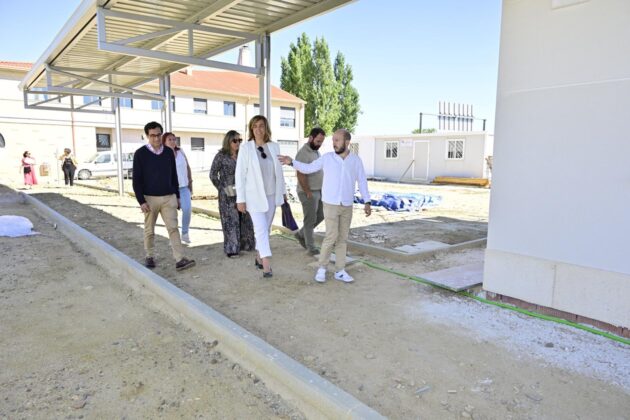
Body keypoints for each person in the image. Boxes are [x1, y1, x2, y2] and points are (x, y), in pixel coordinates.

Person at [278, 129, 371, 284]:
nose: (333, 143)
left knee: (342, 239)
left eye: (337, 140)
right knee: (331, 236)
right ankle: (322, 268)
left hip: (347, 205)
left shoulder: (355, 161)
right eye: (333, 140)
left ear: (347, 142)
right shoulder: (327, 158)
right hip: (331, 204)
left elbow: (362, 181)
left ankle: (340, 271)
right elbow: (308, 168)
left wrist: (367, 201)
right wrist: (292, 162)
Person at [132, 121, 195, 272]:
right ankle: (149, 256)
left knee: (173, 228)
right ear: (147, 136)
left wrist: (177, 196)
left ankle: (180, 259)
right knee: (149, 229)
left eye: (159, 135)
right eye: (152, 135)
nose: (156, 138)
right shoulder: (140, 154)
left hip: (169, 197)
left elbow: (174, 176)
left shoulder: (168, 152)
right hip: (149, 198)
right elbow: (136, 180)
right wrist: (141, 201)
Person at [235, 115, 287, 278]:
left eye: (261, 126)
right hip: (254, 197)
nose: (258, 129)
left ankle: (258, 256)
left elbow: (279, 172)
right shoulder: (246, 148)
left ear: (266, 128)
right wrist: (240, 199)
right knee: (260, 230)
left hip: (271, 194)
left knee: (266, 228)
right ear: (251, 129)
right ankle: (266, 265)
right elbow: (240, 175)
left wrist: (283, 192)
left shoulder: (274, 147)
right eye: (255, 126)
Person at [210, 130, 256, 257]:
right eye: (235, 140)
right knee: (231, 221)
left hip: (243, 192)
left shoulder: (243, 154)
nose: (238, 143)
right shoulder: (221, 156)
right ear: (228, 141)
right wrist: (222, 189)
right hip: (227, 195)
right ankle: (232, 248)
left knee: (246, 219)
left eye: (240, 140)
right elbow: (213, 174)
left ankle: (246, 244)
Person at [293, 127, 326, 256]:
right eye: (318, 141)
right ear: (311, 138)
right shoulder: (303, 152)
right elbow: (300, 174)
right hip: (308, 191)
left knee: (321, 215)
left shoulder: (316, 151)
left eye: (321, 141)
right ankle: (311, 248)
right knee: (310, 219)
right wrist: (307, 191)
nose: (320, 144)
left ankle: (301, 234)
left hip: (319, 190)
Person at [162, 132, 193, 243]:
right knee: (172, 214)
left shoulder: (181, 151)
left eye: (174, 139)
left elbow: (187, 167)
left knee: (187, 209)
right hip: (170, 189)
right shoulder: (162, 155)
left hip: (184, 187)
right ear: (164, 142)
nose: (173, 141)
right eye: (169, 139)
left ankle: (185, 233)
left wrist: (190, 182)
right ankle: (173, 237)